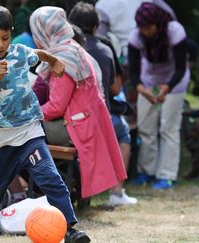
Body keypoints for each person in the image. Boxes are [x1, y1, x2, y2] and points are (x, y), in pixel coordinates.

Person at [0, 5, 90, 243]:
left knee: (51, 178)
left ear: (11, 33)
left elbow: (38, 54)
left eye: (5, 38)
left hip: (30, 132)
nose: (0, 44)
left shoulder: (19, 51)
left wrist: (55, 61)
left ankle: (70, 229)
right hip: (2, 138)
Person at [30, 6, 127, 199]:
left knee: (19, 137)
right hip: (87, 121)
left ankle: (34, 194)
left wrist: (28, 113)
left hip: (75, 126)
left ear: (43, 32)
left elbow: (56, 108)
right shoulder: (73, 48)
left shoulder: (61, 59)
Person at [68, 2, 137, 206]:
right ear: (97, 26)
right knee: (122, 131)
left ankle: (83, 194)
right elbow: (115, 89)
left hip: (70, 119)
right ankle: (116, 193)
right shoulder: (105, 48)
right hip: (100, 118)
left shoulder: (64, 49)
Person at [129, 2, 189, 189]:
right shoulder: (136, 36)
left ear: (158, 23)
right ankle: (147, 172)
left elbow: (180, 67)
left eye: (148, 27)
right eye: (142, 27)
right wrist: (141, 89)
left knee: (168, 128)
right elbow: (134, 71)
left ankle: (167, 176)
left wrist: (168, 88)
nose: (145, 31)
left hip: (174, 81)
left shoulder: (175, 31)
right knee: (146, 128)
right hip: (149, 81)